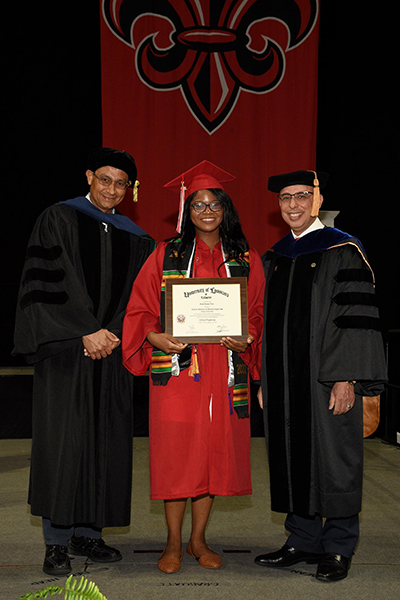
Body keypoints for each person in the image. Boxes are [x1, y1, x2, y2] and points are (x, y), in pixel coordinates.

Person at [13, 147, 155, 575]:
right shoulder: (57, 218)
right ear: (89, 176)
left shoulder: (137, 236)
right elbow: (50, 281)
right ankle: (56, 542)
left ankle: (89, 534)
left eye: (121, 183)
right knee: (64, 443)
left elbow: (140, 295)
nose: (112, 189)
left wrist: (112, 332)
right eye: (105, 179)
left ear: (130, 190)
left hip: (111, 351)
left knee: (105, 441)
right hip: (67, 351)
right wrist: (84, 330)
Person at [122, 160, 265, 573]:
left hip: (224, 367)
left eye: (214, 204)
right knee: (176, 455)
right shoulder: (164, 253)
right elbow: (141, 308)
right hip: (179, 368)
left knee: (212, 456)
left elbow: (255, 311)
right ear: (188, 210)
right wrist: (154, 337)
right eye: (199, 204)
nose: (206, 211)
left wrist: (249, 336)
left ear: (225, 210)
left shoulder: (244, 256)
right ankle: (171, 543)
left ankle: (199, 540)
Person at [254, 170, 387, 581]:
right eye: (285, 198)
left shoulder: (343, 250)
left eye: (302, 196)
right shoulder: (274, 257)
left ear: (318, 199)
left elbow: (356, 319)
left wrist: (347, 377)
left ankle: (339, 546)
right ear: (278, 206)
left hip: (328, 380)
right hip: (284, 381)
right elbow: (263, 324)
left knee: (336, 459)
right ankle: (302, 540)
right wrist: (263, 379)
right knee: (292, 455)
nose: (293, 204)